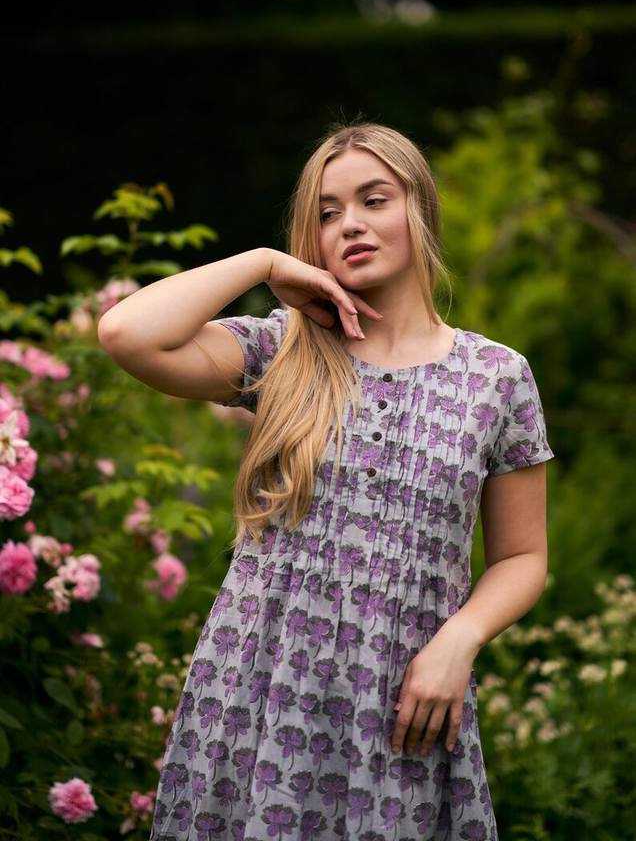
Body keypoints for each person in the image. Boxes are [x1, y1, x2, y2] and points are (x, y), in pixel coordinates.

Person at [98, 122, 555, 840]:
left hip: (402, 701)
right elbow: (126, 334)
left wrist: (460, 639)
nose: (351, 225)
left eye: (374, 200)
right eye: (327, 212)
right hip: (257, 691)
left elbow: (523, 557)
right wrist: (261, 263)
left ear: (420, 207)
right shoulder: (283, 350)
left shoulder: (497, 377)